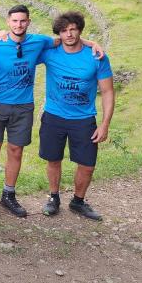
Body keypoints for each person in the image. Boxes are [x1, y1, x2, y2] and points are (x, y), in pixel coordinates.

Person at [0, 5, 102, 217]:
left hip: (23, 105)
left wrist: (92, 43)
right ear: (8, 21)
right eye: (14, 21)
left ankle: (9, 194)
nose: (18, 25)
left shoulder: (39, 41)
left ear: (29, 22)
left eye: (22, 21)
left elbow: (66, 39)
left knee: (16, 150)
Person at [39, 12, 114, 220]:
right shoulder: (50, 53)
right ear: (59, 34)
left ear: (80, 30)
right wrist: (2, 34)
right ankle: (53, 197)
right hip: (54, 116)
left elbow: (107, 91)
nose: (69, 34)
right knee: (53, 159)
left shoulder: (97, 56)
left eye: (73, 29)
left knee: (87, 164)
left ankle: (78, 201)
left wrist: (105, 124)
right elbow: (24, 46)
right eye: (64, 31)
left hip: (83, 118)